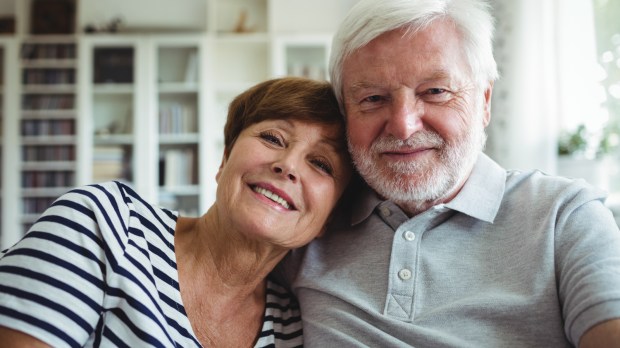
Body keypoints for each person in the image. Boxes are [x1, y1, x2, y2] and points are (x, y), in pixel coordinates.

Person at [277, 0, 620, 346]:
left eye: (435, 92)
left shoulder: (566, 217)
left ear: (484, 102)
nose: (404, 126)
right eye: (373, 98)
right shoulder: (308, 220)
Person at [0, 77, 352, 347]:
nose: (287, 165)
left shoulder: (292, 327)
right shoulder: (104, 223)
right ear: (225, 159)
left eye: (321, 164)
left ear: (329, 219)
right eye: (273, 138)